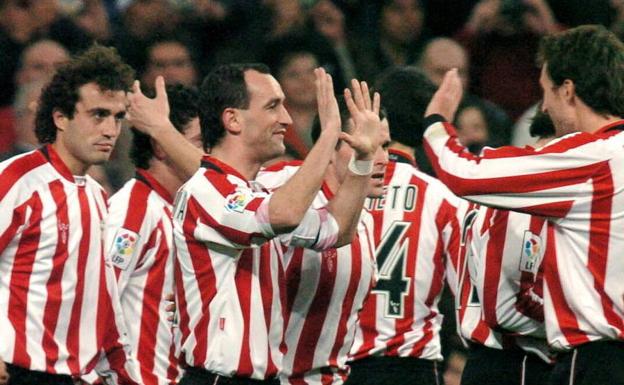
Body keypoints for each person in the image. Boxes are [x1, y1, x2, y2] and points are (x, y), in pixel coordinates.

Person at [128, 65, 381, 384]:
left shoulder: (256, 194)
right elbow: (285, 214)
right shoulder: (205, 190)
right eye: (273, 106)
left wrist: (362, 159)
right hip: (219, 378)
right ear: (232, 119)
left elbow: (337, 230)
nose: (287, 120)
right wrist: (328, 134)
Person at [423, 24, 624, 385]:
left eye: (547, 91)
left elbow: (464, 174)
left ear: (568, 90)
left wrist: (436, 123)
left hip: (600, 358)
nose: (544, 105)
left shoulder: (593, 158)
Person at [0, 45, 139, 384]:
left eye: (118, 117)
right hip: (18, 372)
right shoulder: (16, 181)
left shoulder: (96, 195)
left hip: (72, 375)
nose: (110, 129)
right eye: (98, 114)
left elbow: (102, 297)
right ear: (60, 117)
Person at [256, 89, 389, 385]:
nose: (380, 159)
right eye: (367, 145)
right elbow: (219, 195)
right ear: (331, 146)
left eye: (385, 145)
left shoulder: (363, 218)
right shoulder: (280, 185)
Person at [345, 66, 465, 385]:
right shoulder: (442, 197)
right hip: (413, 366)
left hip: (339, 364)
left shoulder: (336, 187)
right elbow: (468, 294)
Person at [105, 84, 202, 385]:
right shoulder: (132, 212)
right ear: (161, 145)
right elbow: (97, 303)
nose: (209, 155)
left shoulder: (187, 212)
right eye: (201, 141)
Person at [457, 111, 556, 385]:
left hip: (501, 360)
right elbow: (504, 309)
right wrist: (582, 322)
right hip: (516, 363)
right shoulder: (526, 180)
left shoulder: (505, 173)